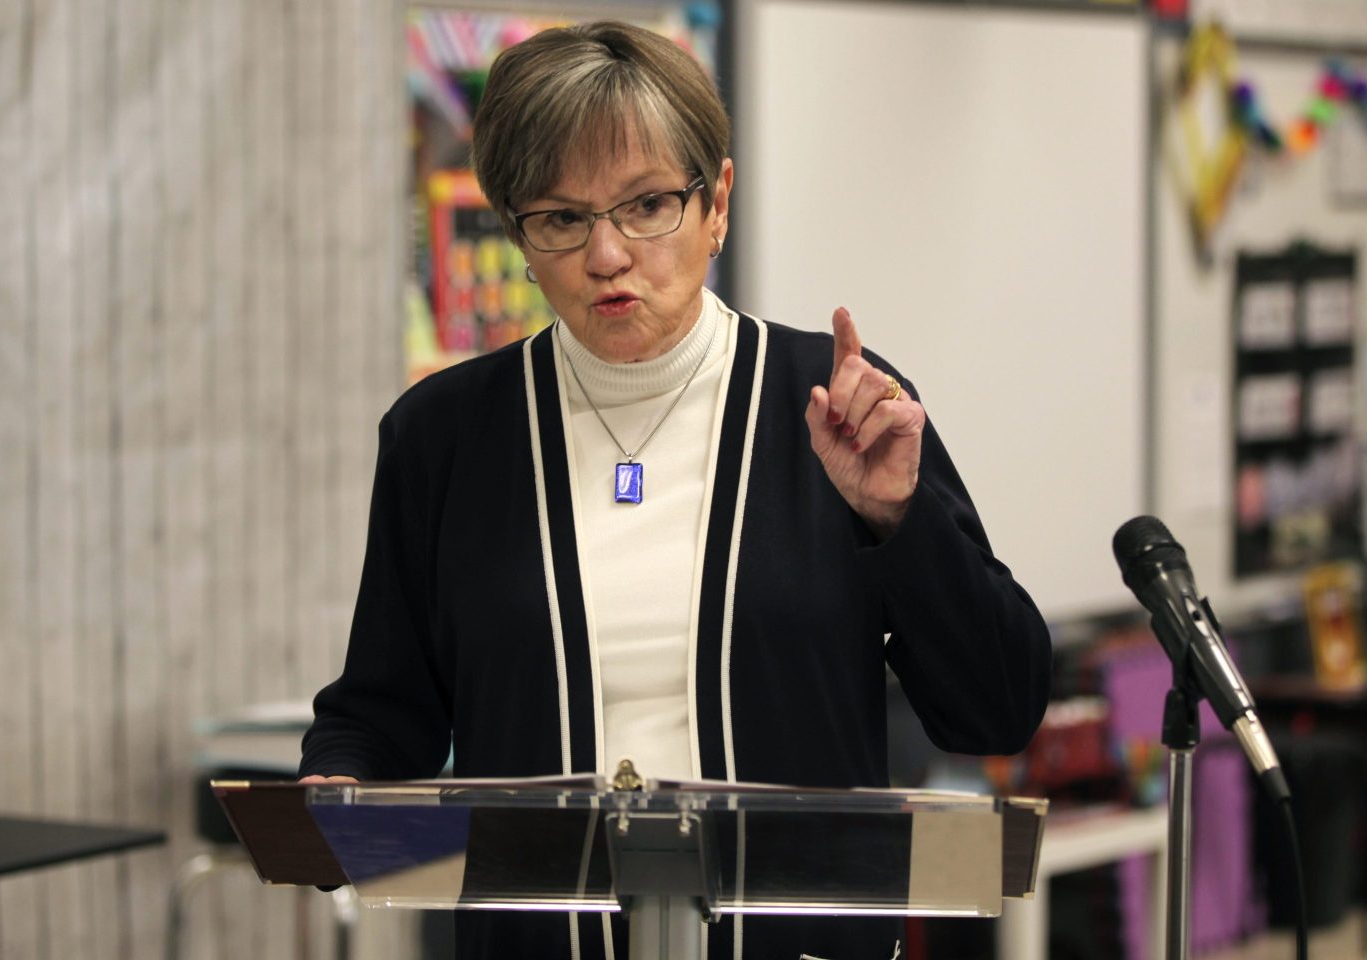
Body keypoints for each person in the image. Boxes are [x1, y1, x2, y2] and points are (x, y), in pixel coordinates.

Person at [301, 20, 1051, 959]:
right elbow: (384, 712)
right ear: (518, 233)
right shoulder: (445, 436)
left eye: (646, 205)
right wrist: (336, 786)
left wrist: (900, 518)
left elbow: (998, 708)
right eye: (561, 218)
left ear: (717, 203)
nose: (607, 255)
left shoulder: (831, 404)